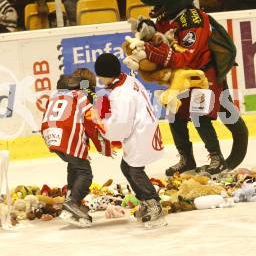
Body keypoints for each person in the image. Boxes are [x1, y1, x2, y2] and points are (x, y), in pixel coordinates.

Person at [139, 0, 228, 175]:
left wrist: (153, 52)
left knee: (199, 116)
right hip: (180, 78)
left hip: (201, 75)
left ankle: (217, 158)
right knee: (174, 114)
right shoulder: (165, 17)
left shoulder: (193, 21)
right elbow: (162, 41)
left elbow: (185, 58)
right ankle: (186, 159)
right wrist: (149, 36)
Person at [93, 53, 167, 229]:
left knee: (134, 170)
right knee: (127, 167)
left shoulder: (120, 93)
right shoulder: (128, 81)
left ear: (106, 75)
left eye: (100, 76)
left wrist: (103, 127)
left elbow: (121, 125)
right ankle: (146, 201)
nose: (99, 79)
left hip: (140, 133)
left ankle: (153, 203)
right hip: (144, 129)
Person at [41, 72, 112, 227]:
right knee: (85, 173)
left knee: (74, 165)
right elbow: (92, 122)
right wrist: (105, 147)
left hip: (49, 134)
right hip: (67, 134)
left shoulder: (53, 96)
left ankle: (71, 199)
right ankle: (72, 203)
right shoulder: (80, 95)